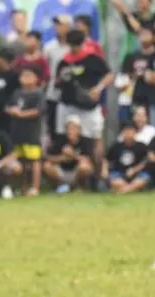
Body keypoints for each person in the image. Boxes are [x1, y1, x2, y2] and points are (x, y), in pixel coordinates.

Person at [56, 29, 112, 183]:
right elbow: (57, 82)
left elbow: (109, 75)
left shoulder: (93, 59)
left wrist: (98, 88)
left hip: (89, 107)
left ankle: (99, 176)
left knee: (94, 140)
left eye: (76, 45)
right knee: (66, 139)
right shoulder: (64, 61)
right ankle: (72, 178)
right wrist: (62, 79)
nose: (74, 48)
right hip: (68, 104)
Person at [6, 66, 44, 196]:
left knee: (34, 160)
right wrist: (12, 110)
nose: (25, 78)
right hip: (17, 132)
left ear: (36, 79)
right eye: (23, 76)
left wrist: (22, 114)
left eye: (29, 76)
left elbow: (38, 111)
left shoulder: (38, 93)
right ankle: (23, 186)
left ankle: (35, 187)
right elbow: (8, 106)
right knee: (21, 160)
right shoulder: (17, 93)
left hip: (32, 132)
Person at [43, 115, 94, 193]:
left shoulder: (84, 141)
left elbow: (88, 160)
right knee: (47, 166)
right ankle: (60, 186)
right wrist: (62, 158)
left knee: (84, 167)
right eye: (68, 128)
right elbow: (48, 157)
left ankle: (78, 186)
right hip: (62, 170)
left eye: (73, 128)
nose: (70, 131)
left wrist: (72, 155)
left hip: (76, 172)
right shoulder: (60, 140)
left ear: (79, 130)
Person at [117, 27, 155, 124]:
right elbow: (125, 76)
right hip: (135, 96)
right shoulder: (131, 56)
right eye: (142, 35)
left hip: (154, 97)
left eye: (147, 34)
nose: (144, 37)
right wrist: (136, 75)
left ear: (154, 37)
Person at [43, 15, 70, 143]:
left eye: (61, 25)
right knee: (53, 127)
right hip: (52, 94)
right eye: (56, 25)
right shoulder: (49, 47)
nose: (57, 28)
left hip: (70, 95)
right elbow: (45, 71)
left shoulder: (73, 46)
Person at [106, 121, 150, 194]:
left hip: (137, 174)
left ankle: (123, 191)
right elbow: (107, 159)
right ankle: (131, 189)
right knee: (114, 181)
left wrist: (134, 170)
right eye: (126, 131)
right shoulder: (116, 146)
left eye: (131, 131)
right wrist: (105, 171)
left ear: (135, 133)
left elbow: (146, 161)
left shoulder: (142, 146)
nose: (129, 134)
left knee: (143, 179)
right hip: (119, 173)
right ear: (122, 133)